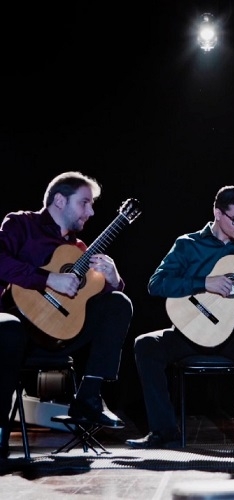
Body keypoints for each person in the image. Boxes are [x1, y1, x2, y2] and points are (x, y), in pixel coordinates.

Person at [126, 185, 234, 451]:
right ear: (217, 213)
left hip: (233, 335)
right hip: (190, 332)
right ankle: (164, 432)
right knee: (146, 344)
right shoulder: (188, 244)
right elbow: (157, 284)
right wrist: (204, 283)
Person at [0, 171, 134, 459]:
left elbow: (90, 301)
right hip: (17, 327)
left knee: (118, 302)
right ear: (60, 200)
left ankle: (89, 398)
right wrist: (46, 279)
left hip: (60, 336)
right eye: (85, 202)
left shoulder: (80, 250)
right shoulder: (21, 224)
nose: (91, 211)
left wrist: (113, 280)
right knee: (8, 329)